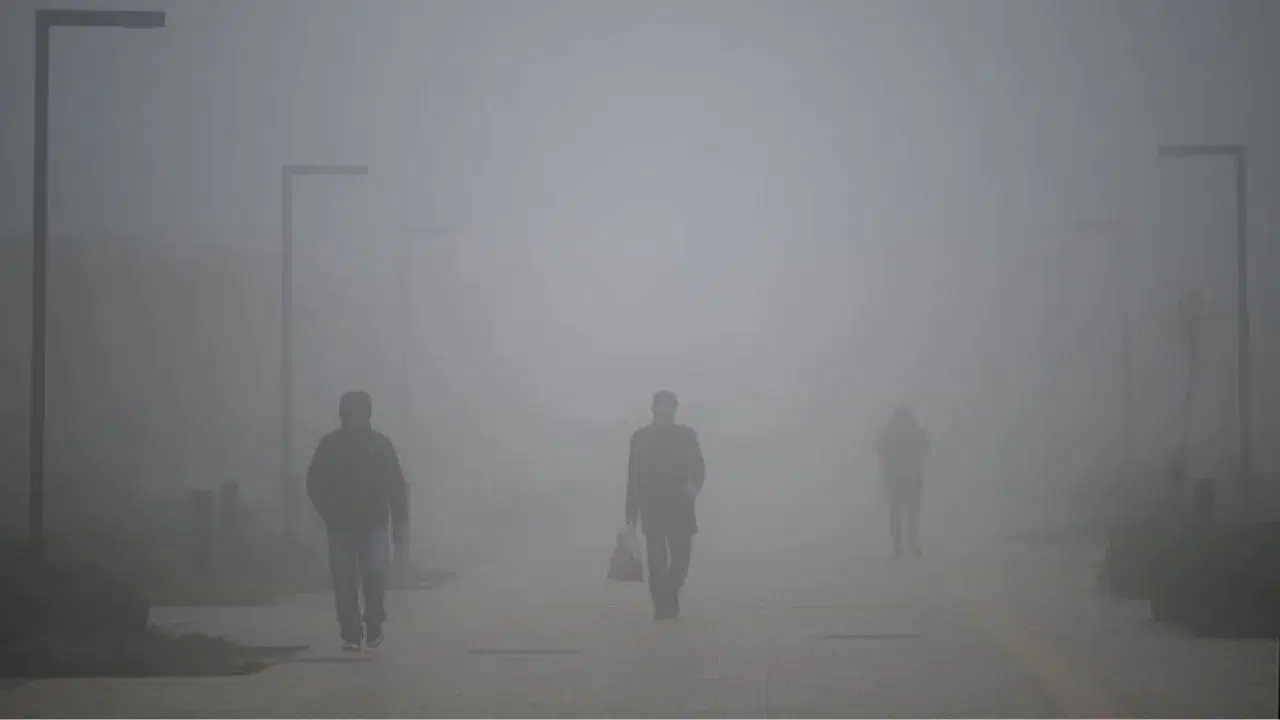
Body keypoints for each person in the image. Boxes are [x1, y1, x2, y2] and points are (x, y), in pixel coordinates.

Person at [307, 390, 409, 650]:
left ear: (368, 413)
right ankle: (350, 632)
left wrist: (400, 526)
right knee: (343, 581)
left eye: (360, 410)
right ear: (342, 413)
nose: (355, 416)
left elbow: (396, 485)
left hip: (374, 523)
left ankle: (374, 623)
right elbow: (314, 482)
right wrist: (328, 511)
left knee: (375, 575)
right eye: (350, 410)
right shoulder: (330, 445)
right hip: (340, 525)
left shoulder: (380, 445)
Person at [626, 390, 706, 620]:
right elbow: (634, 475)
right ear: (653, 408)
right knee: (656, 562)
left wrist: (695, 486)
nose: (665, 410)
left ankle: (669, 594)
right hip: (652, 506)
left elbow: (699, 467)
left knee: (681, 561)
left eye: (669, 406)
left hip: (681, 504)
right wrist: (631, 515)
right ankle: (662, 607)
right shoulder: (640, 437)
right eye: (661, 406)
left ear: (675, 409)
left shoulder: (687, 435)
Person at [875, 405, 930, 558]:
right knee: (913, 513)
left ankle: (898, 547)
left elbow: (878, 449)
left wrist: (889, 459)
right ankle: (913, 544)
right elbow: (926, 446)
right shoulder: (915, 429)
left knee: (895, 514)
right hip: (912, 477)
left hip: (893, 478)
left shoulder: (889, 430)